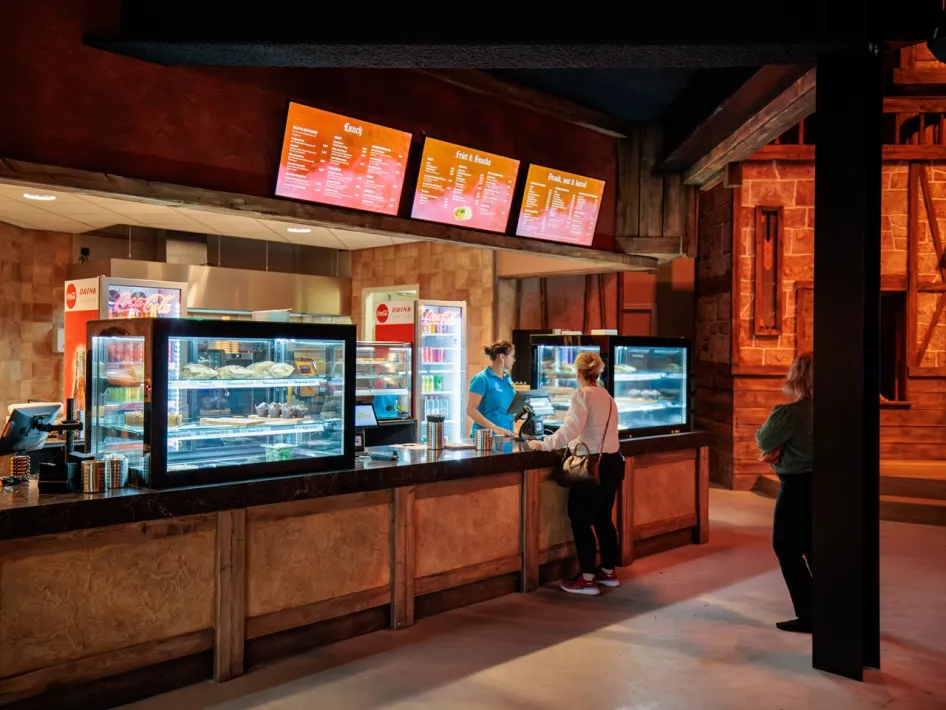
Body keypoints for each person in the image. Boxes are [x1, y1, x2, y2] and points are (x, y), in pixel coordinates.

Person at [528, 351, 623, 596]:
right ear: (598, 372)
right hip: (612, 462)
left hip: (590, 465)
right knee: (603, 518)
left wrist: (545, 444)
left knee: (581, 521)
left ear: (578, 373)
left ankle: (587, 578)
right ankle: (609, 572)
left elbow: (571, 427)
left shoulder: (581, 394)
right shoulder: (607, 396)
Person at [756, 352, 814, 633]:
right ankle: (834, 610)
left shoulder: (790, 413)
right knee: (817, 548)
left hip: (797, 488)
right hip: (828, 488)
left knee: (787, 549)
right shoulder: (840, 410)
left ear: (798, 377)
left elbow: (764, 439)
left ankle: (810, 615)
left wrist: (774, 448)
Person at [467, 340, 516, 437]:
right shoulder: (482, 379)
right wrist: (495, 428)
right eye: (512, 356)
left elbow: (504, 407)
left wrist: (519, 413)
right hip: (484, 439)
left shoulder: (508, 378)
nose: (514, 359)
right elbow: (470, 410)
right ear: (502, 357)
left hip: (506, 436)